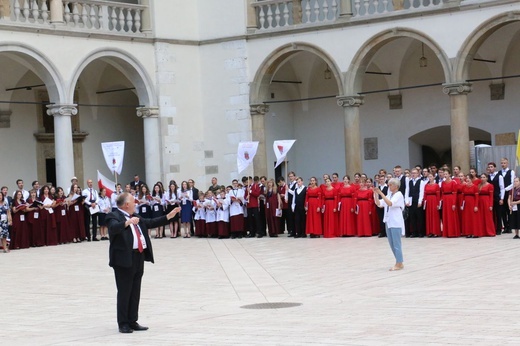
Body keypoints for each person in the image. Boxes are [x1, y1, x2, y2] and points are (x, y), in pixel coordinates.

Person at [106, 192, 181, 333]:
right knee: (124, 291)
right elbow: (114, 228)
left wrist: (168, 216)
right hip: (123, 260)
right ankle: (123, 323)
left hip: (138, 257)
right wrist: (127, 222)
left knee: (135, 291)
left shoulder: (136, 216)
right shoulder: (113, 216)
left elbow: (150, 223)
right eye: (133, 201)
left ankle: (132, 320)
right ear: (127, 204)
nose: (136, 203)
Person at [374, 178, 405, 271]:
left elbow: (390, 203)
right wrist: (375, 194)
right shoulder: (389, 195)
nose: (389, 186)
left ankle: (399, 263)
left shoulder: (398, 194)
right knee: (391, 244)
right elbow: (380, 204)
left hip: (395, 222)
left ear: (396, 186)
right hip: (388, 221)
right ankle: (398, 261)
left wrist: (381, 194)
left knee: (396, 244)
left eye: (391, 184)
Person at [440, 168, 460, 238]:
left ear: (449, 174)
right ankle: (447, 232)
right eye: (444, 174)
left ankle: (453, 232)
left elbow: (455, 193)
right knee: (446, 215)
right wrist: (441, 200)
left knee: (451, 215)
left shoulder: (453, 182)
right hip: (445, 199)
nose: (445, 175)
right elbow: (442, 192)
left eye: (446, 174)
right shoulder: (443, 182)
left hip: (451, 198)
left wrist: (454, 203)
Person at [488, 162, 505, 235]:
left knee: (498, 213)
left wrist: (501, 198)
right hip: (489, 198)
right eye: (489, 167)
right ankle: (492, 228)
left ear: (495, 168)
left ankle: (499, 229)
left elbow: (502, 188)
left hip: (497, 197)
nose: (490, 168)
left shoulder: (499, 176)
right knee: (491, 213)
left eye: (492, 167)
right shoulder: (487, 177)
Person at [499, 158, 515, 234]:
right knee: (503, 211)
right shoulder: (499, 172)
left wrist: (505, 189)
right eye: (502, 163)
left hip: (508, 193)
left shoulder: (511, 172)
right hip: (501, 194)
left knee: (509, 210)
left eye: (504, 163)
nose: (503, 164)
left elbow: (513, 183)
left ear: (507, 163)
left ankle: (510, 226)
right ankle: (505, 226)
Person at [423, 173, 441, 237]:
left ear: (434, 177)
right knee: (429, 216)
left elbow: (438, 195)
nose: (430, 178)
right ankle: (429, 231)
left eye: (431, 176)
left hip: (434, 200)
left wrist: (438, 204)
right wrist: (424, 203)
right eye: (429, 176)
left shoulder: (436, 185)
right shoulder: (426, 185)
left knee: (434, 216)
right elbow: (425, 195)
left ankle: (435, 231)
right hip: (428, 201)